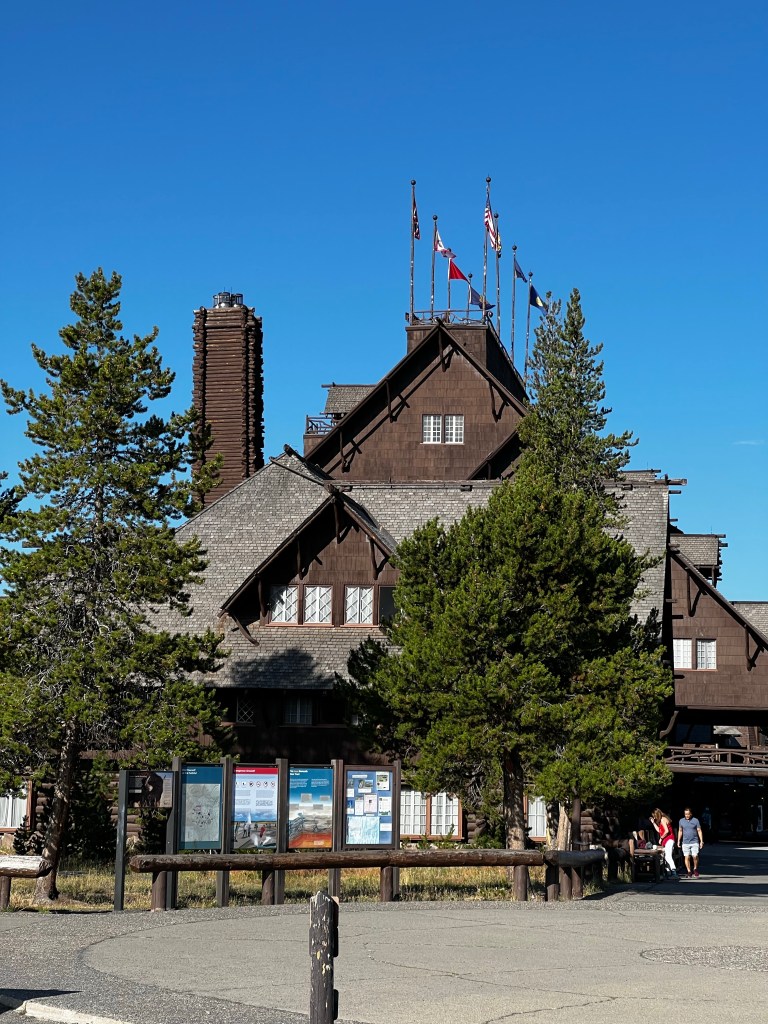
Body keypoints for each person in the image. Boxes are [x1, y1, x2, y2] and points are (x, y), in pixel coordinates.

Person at [650, 808, 678, 879]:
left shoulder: (663, 819)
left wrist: (661, 838)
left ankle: (674, 873)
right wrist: (653, 823)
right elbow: (659, 830)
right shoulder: (661, 820)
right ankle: (669, 873)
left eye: (654, 815)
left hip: (669, 839)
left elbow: (666, 831)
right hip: (666, 840)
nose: (654, 817)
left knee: (668, 856)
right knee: (666, 856)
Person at [677, 807, 704, 878]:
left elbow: (699, 830)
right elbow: (680, 831)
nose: (687, 815)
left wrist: (701, 841)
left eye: (688, 814)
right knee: (687, 857)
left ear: (691, 814)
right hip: (685, 842)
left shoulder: (695, 820)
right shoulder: (681, 821)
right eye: (685, 814)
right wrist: (678, 841)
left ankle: (695, 869)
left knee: (695, 856)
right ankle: (689, 871)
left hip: (694, 841)